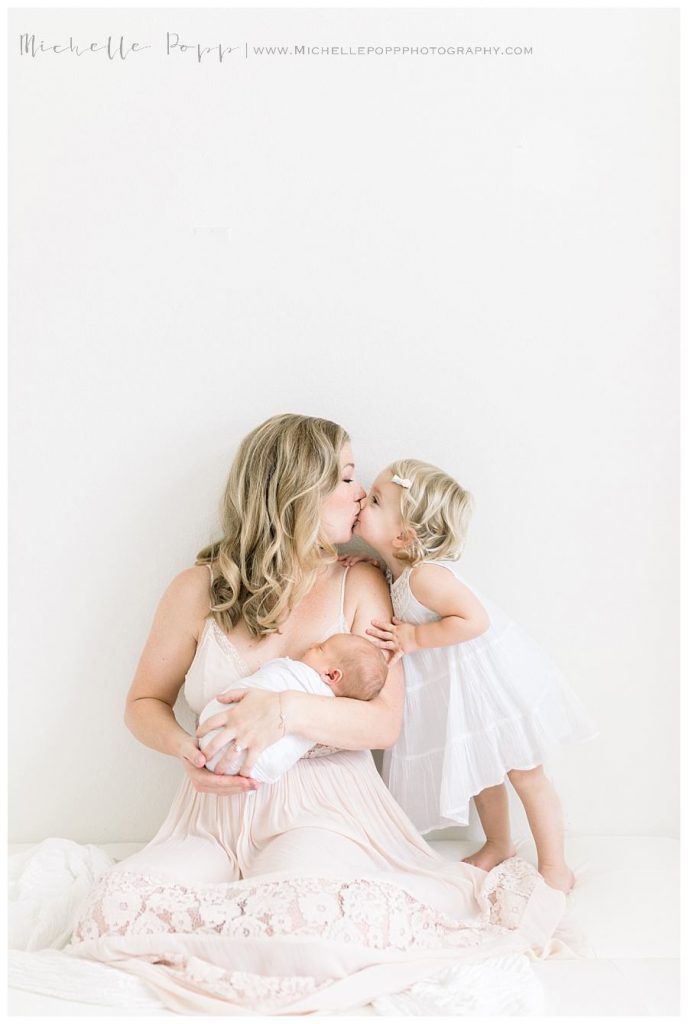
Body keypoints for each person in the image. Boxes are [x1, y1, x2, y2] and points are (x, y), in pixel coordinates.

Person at [67, 415, 567, 1015]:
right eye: (348, 477)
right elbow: (143, 704)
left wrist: (285, 710)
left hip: (325, 807)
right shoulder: (196, 590)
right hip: (212, 811)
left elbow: (384, 724)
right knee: (112, 910)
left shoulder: (360, 583)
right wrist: (186, 750)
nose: (359, 494)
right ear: (298, 490)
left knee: (298, 924)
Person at [353, 458, 597, 894]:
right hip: (460, 694)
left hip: (490, 686)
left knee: (526, 774)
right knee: (483, 775)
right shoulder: (400, 572)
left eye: (374, 500)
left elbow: (474, 619)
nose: (361, 501)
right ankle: (500, 844)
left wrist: (414, 637)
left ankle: (556, 866)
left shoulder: (426, 577)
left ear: (403, 535)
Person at [199, 632, 388, 781]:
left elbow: (386, 728)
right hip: (261, 769)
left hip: (210, 741)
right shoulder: (330, 707)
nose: (312, 645)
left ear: (331, 675)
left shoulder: (295, 673)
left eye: (321, 649)